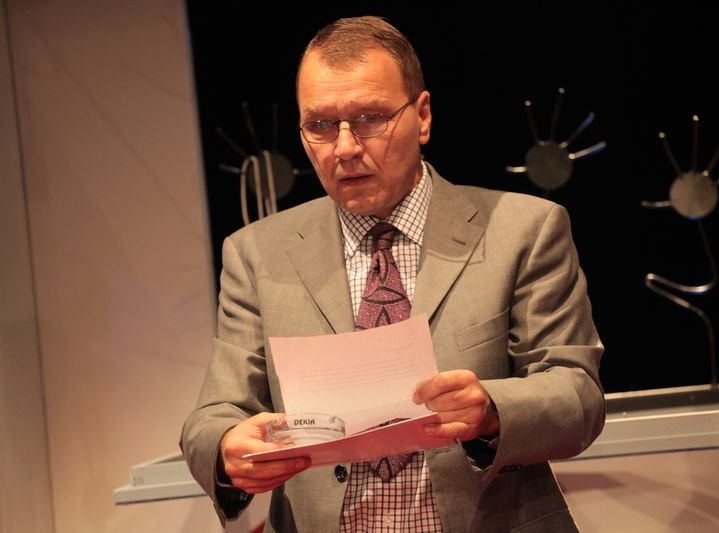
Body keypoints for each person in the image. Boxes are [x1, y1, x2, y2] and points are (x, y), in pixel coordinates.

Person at [181, 15, 604, 533]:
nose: (344, 148)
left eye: (370, 119)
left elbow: (578, 395)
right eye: (320, 125)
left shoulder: (523, 230)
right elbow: (213, 417)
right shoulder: (257, 254)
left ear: (422, 117)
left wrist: (494, 409)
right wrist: (227, 449)